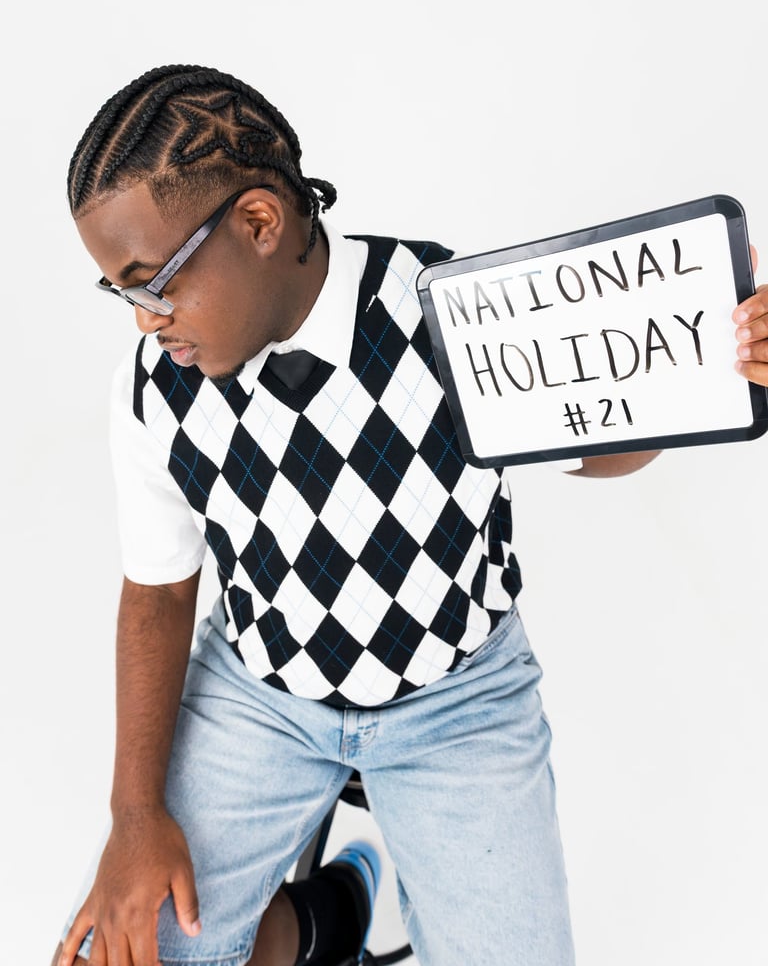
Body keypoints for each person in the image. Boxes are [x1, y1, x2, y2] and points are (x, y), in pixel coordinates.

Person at [53, 65, 768, 966]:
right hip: (264, 692)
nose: (143, 321)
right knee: (122, 950)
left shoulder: (445, 313)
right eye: (121, 294)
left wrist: (705, 364)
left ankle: (366, 870)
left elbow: (602, 448)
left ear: (260, 223)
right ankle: (330, 917)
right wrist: (135, 814)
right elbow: (157, 592)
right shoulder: (157, 386)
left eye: (151, 284)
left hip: (458, 699)